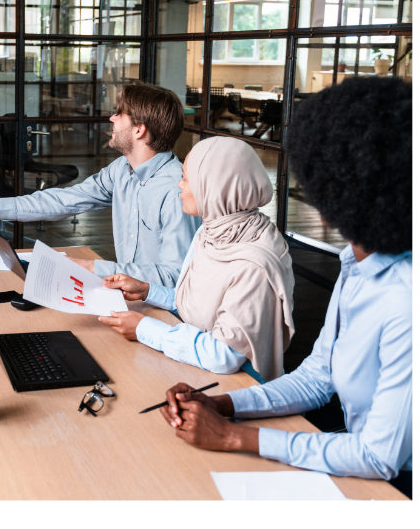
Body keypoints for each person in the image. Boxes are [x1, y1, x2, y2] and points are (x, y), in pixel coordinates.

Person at [158, 78, 412, 499]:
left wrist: (236, 438)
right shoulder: (357, 264)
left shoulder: (402, 299)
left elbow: (377, 456)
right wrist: (224, 406)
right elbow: (316, 378)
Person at [0, 83, 200, 287]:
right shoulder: (122, 170)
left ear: (138, 130)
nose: (112, 118)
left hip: (163, 312)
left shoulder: (176, 190)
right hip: (127, 296)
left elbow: (175, 278)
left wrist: (92, 268)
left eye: (120, 114)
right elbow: (65, 200)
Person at [101, 137, 294, 383]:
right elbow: (201, 305)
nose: (179, 186)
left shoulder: (255, 263)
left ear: (213, 186)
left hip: (240, 383)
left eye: (186, 178)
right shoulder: (209, 232)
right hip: (197, 369)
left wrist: (144, 329)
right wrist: (147, 291)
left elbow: (224, 355)